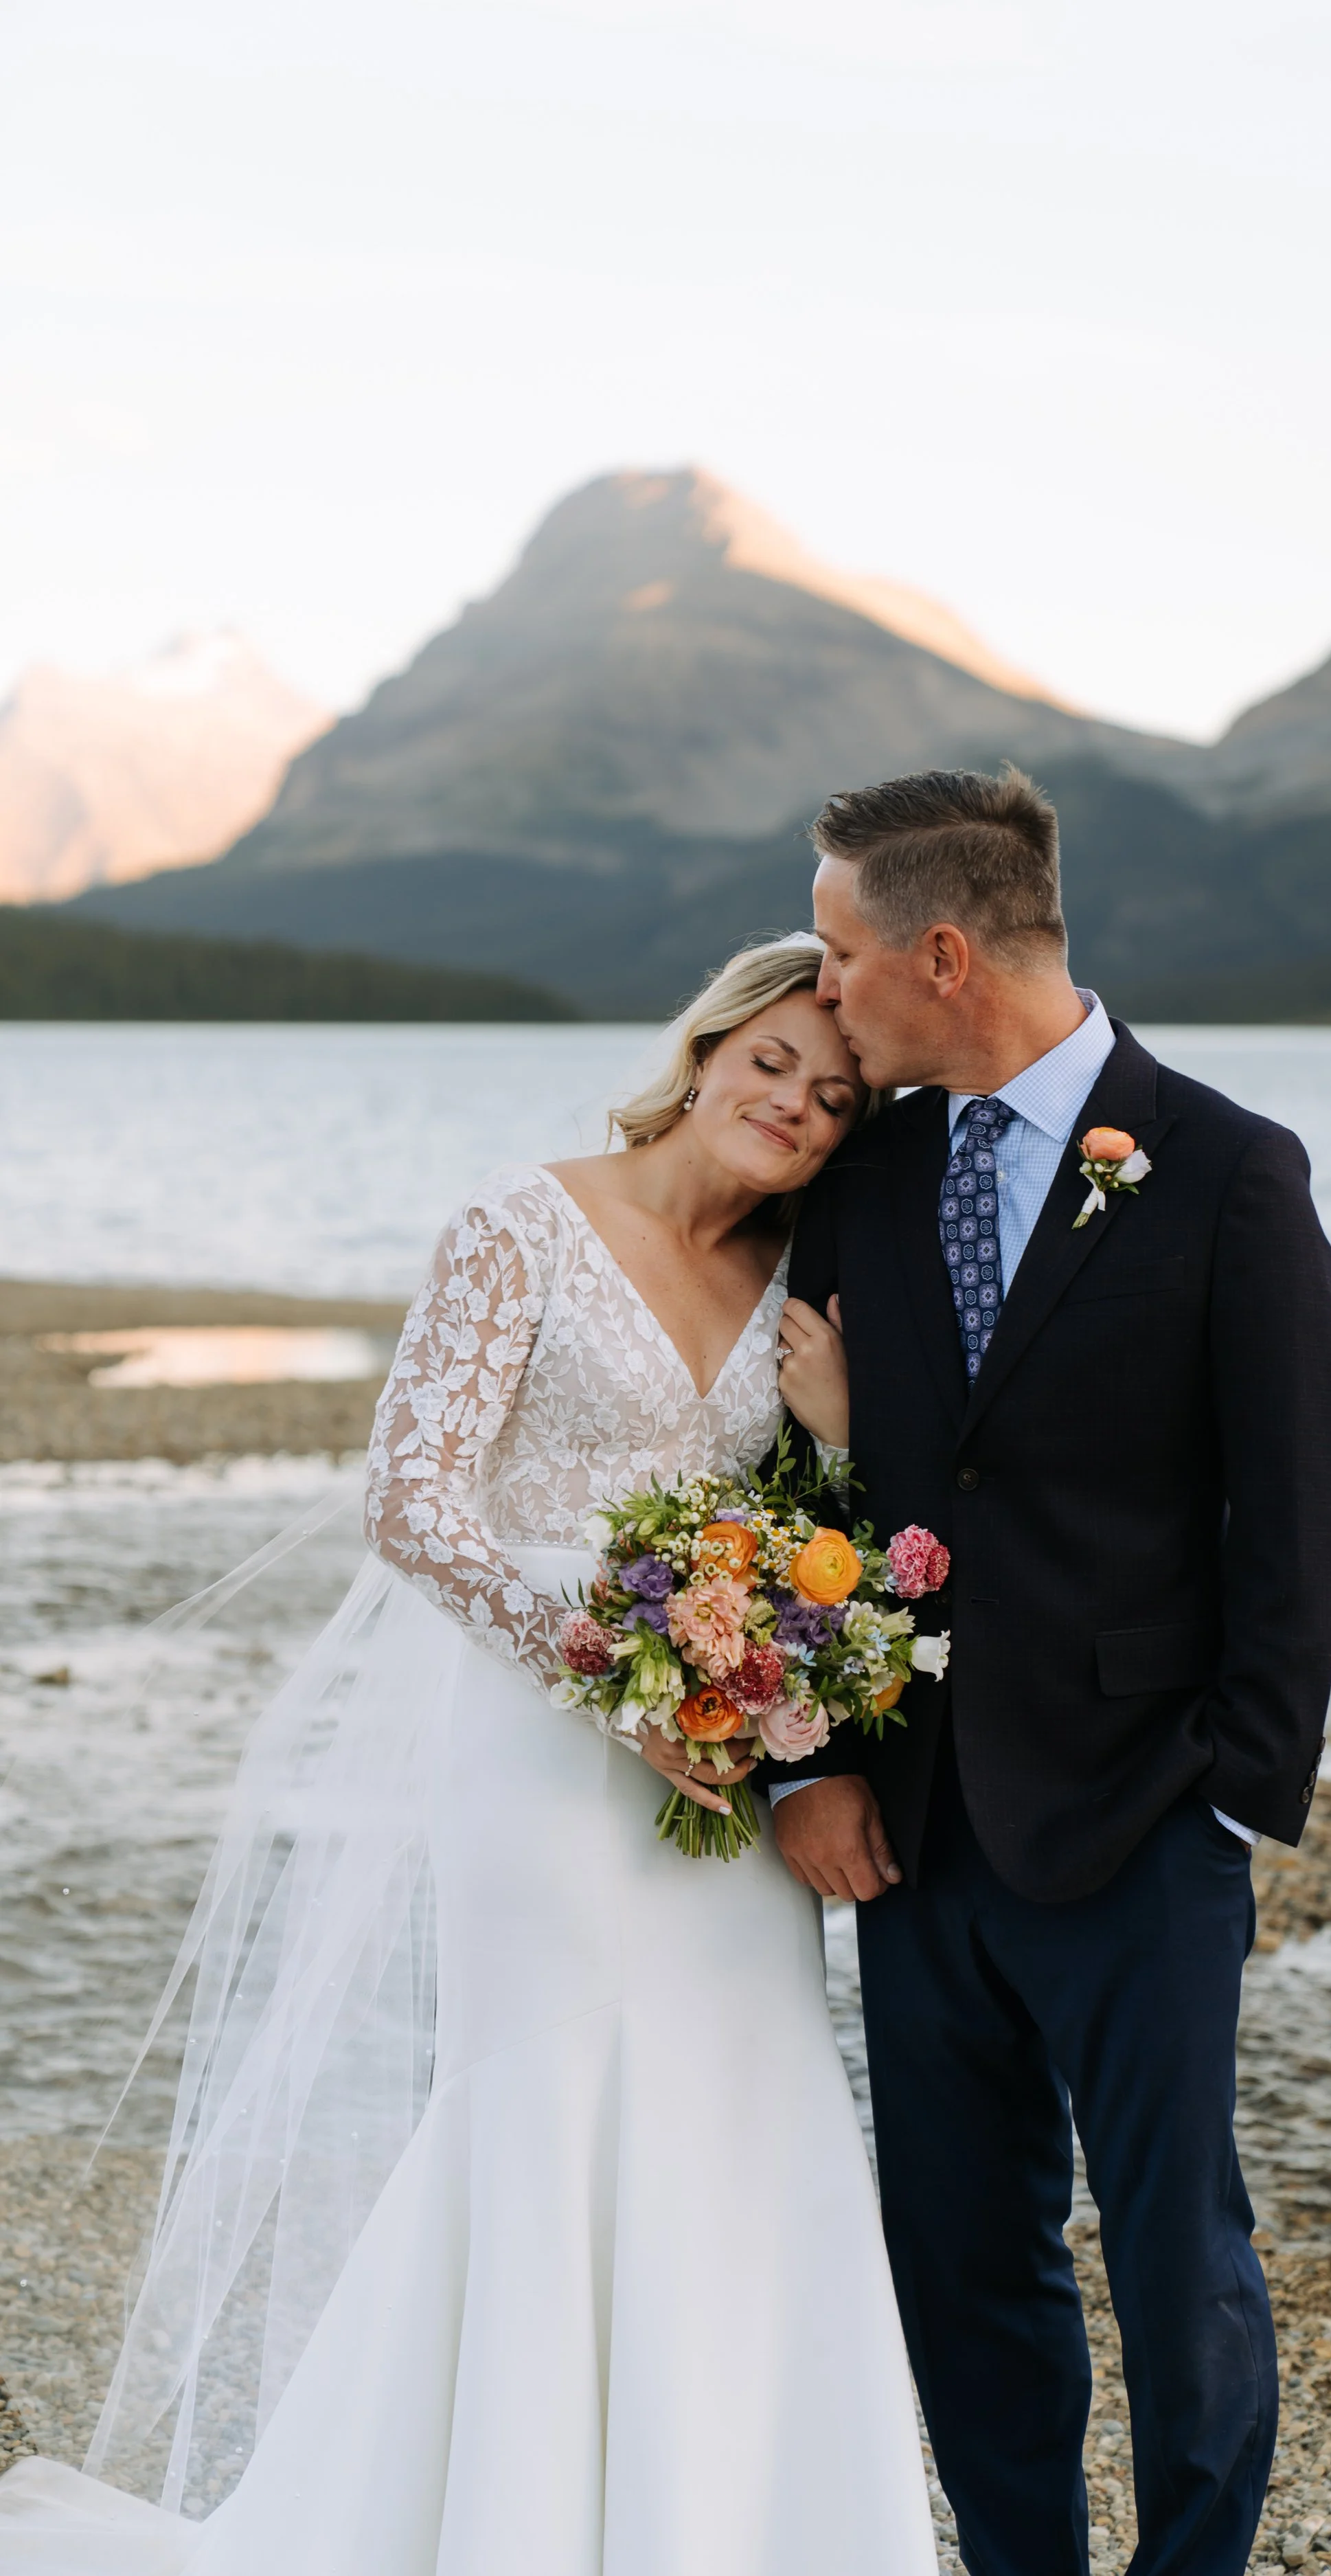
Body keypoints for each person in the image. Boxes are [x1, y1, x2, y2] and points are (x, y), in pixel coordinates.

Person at [0, 937, 937, 2576]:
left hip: (708, 1759)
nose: (794, 1104)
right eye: (776, 1062)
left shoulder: (800, 1288)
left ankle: (729, 2527)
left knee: (745, 2097)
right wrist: (613, 1679)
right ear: (710, 1047)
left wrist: (840, 1445)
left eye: (836, 1094)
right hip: (537, 1749)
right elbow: (412, 1507)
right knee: (548, 2097)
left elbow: (806, 1537)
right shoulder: (521, 1226)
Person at [769, 768, 1331, 2576]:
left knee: (1177, 2246)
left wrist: (1232, 1792)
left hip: (1140, 1814)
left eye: (839, 949)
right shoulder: (863, 1169)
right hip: (914, 1821)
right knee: (959, 2245)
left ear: (941, 952)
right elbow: (803, 1476)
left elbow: (1300, 1504)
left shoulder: (1222, 1165)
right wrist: (815, 1756)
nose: (822, 988)